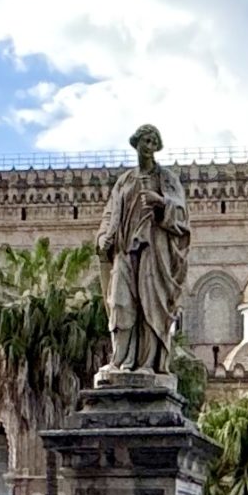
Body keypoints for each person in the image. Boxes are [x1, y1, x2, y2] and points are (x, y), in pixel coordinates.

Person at [94, 123, 191, 375]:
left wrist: (162, 203)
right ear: (136, 143)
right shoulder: (124, 181)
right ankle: (119, 361)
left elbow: (181, 212)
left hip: (153, 251)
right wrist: (104, 236)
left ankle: (146, 364)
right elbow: (110, 213)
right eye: (145, 141)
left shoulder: (165, 178)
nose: (149, 147)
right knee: (120, 303)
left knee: (151, 306)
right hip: (124, 250)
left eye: (153, 142)